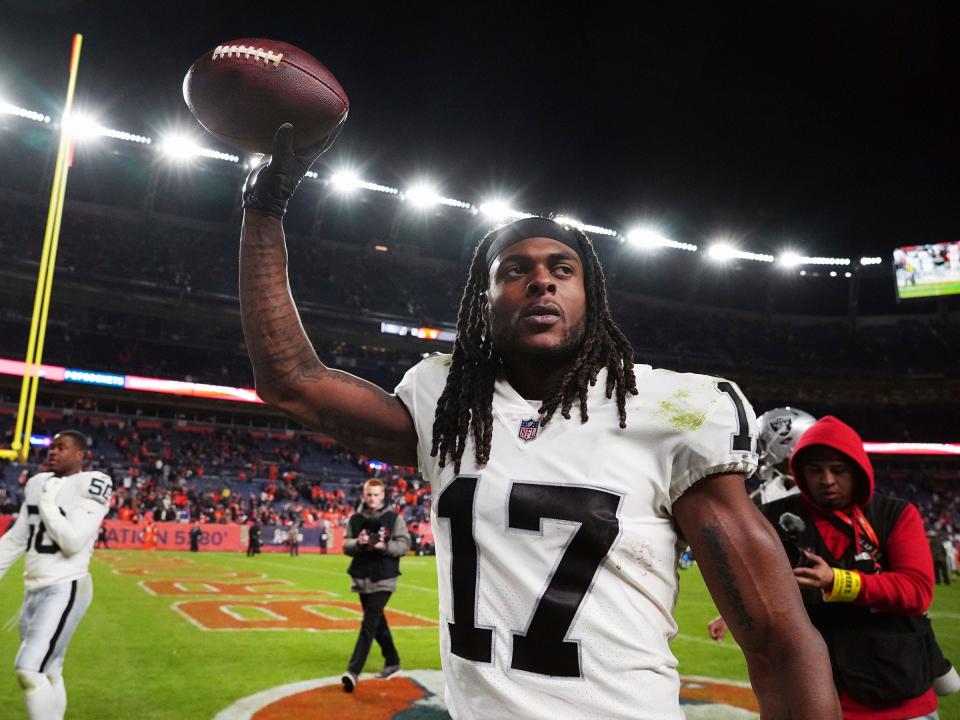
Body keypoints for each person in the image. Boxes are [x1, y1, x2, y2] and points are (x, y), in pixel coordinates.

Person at [238, 124, 840, 718]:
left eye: (562, 268)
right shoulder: (446, 404)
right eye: (514, 270)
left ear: (591, 296)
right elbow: (291, 381)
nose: (541, 280)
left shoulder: (672, 411)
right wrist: (265, 210)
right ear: (485, 297)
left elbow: (779, 643)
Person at [762, 416, 945, 719]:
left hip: (896, 693)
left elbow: (917, 591)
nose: (827, 480)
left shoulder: (896, 514)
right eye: (815, 470)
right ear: (800, 473)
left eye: (838, 470)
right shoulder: (774, 516)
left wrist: (839, 581)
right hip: (814, 694)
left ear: (858, 470)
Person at [0, 430, 113, 720]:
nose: (53, 452)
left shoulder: (93, 482)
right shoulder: (38, 483)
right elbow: (17, 537)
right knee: (50, 668)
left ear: (79, 455)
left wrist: (49, 504)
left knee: (29, 668)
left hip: (66, 585)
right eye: (52, 447)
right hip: (34, 588)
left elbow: (72, 541)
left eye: (61, 448)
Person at [340, 479, 410, 692]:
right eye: (369, 495)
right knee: (377, 622)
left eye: (376, 495)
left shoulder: (394, 518)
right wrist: (358, 543)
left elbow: (404, 545)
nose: (372, 498)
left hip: (385, 578)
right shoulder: (355, 518)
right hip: (362, 577)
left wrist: (384, 546)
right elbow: (346, 545)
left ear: (383, 495)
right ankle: (393, 660)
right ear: (364, 495)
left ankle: (353, 671)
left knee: (369, 623)